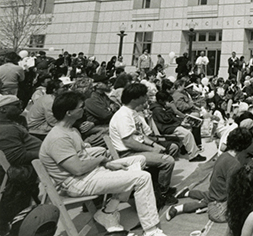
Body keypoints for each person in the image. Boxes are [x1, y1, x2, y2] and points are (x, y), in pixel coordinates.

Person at [38, 91, 167, 236]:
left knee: (139, 160)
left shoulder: (71, 130)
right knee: (142, 178)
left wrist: (102, 160)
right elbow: (77, 168)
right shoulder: (58, 138)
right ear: (69, 112)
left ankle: (109, 211)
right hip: (77, 182)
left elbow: (82, 156)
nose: (84, 110)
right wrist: (103, 160)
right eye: (81, 107)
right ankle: (151, 230)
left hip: (90, 173)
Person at [109, 83, 178, 208]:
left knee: (168, 150)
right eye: (144, 95)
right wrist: (152, 149)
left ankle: (157, 186)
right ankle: (162, 193)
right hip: (128, 153)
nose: (147, 97)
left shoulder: (132, 112)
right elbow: (129, 142)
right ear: (135, 98)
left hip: (136, 149)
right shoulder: (123, 115)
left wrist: (154, 144)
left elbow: (140, 135)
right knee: (168, 161)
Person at [0, 95, 42, 234]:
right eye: (16, 105)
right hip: (29, 170)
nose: (21, 106)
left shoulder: (14, 123)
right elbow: (17, 157)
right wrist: (47, 152)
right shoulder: (6, 129)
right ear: (3, 109)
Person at [150, 91, 206, 162]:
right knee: (187, 134)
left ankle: (185, 148)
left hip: (169, 125)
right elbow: (167, 120)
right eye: (166, 101)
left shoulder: (161, 107)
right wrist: (178, 119)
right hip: (166, 128)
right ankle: (193, 155)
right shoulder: (157, 110)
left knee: (190, 127)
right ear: (161, 101)